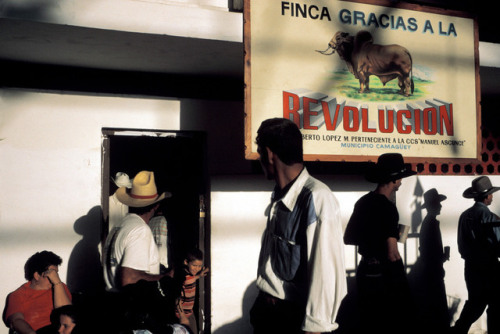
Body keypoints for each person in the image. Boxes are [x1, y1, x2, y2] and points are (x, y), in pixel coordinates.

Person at [249, 118, 347, 334]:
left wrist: (315, 327)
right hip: (268, 313)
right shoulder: (279, 195)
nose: (259, 159)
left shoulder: (317, 198)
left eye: (259, 152)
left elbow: (327, 272)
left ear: (269, 153)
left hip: (290, 318)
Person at [343, 152, 417, 334]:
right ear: (394, 179)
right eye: (400, 178)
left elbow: (348, 238)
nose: (401, 182)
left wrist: (373, 236)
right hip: (383, 275)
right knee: (389, 321)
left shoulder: (363, 202)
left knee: (369, 320)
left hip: (365, 271)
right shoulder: (389, 209)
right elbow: (392, 253)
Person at [452, 176, 500, 334]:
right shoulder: (489, 217)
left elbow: (461, 244)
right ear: (487, 196)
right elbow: (498, 243)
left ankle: (459, 330)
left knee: (475, 303)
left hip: (471, 267)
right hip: (489, 268)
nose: (492, 196)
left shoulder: (464, 216)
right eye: (491, 194)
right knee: (494, 305)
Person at [3, 251, 72, 334]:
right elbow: (16, 321)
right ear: (37, 275)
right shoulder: (17, 295)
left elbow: (67, 314)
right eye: (51, 273)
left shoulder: (60, 286)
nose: (55, 277)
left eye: (56, 273)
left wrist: (57, 284)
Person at [413, 188, 450, 333]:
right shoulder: (431, 223)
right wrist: (442, 257)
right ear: (433, 205)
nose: (441, 206)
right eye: (438, 203)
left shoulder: (429, 222)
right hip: (433, 271)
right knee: (437, 305)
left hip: (431, 270)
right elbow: (429, 251)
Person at [177, 248, 209, 334]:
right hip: (180, 315)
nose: (197, 268)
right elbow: (176, 298)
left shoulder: (191, 275)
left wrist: (200, 275)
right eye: (194, 265)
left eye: (199, 266)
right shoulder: (180, 277)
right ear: (186, 262)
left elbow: (192, 278)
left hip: (190, 313)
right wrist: (182, 316)